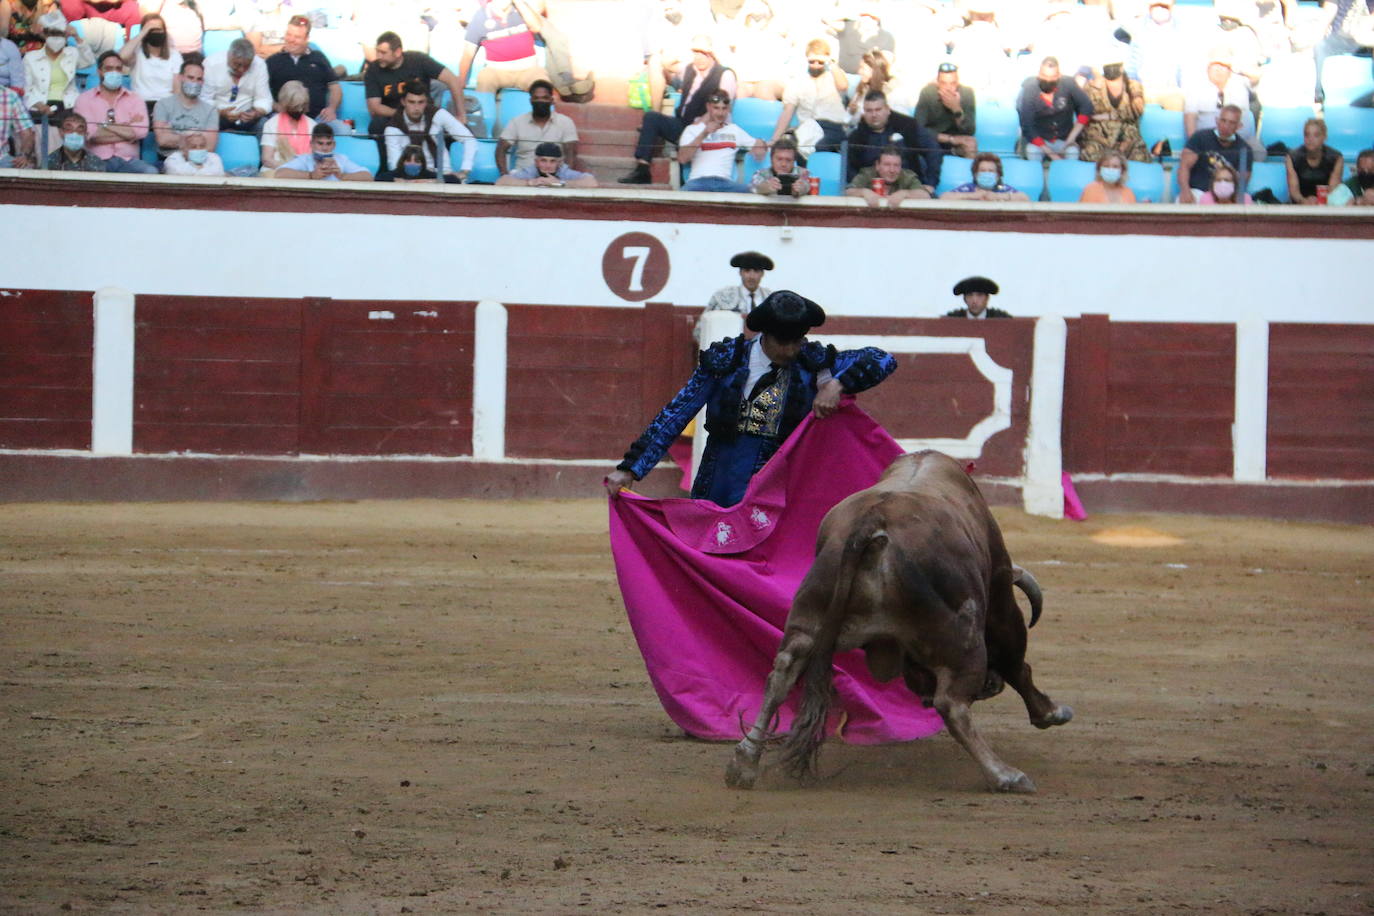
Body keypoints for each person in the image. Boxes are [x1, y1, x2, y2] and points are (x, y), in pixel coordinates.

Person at [605, 290, 897, 508]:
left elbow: (883, 359)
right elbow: (677, 413)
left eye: (798, 340)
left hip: (780, 482)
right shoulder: (726, 361)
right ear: (765, 336)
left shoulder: (813, 362)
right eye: (785, 342)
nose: (793, 349)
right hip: (719, 476)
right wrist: (631, 468)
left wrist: (838, 383)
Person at [619, 33, 734, 185]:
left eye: (703, 53)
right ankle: (642, 169)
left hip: (706, 129)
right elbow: (668, 68)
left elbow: (723, 105)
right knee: (652, 117)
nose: (699, 57)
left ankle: (684, 178)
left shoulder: (724, 74)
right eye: (695, 53)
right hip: (682, 124)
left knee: (690, 133)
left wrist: (699, 125)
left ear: (711, 53)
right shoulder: (689, 70)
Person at [363, 30, 465, 141]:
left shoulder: (418, 61)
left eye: (383, 53)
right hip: (393, 116)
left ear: (397, 52)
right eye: (377, 52)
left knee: (457, 129)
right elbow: (375, 107)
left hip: (424, 114)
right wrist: (405, 115)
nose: (378, 56)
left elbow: (452, 80)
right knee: (376, 125)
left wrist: (461, 115)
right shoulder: (373, 70)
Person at [72, 50, 158, 172]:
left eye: (118, 68)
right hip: (95, 160)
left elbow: (141, 132)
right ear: (99, 71)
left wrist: (104, 125)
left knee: (151, 172)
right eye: (109, 68)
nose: (114, 72)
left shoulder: (135, 99)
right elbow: (90, 135)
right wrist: (127, 130)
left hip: (129, 160)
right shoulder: (84, 99)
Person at [266, 13, 348, 136]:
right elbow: (261, 91)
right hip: (283, 117)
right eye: (289, 34)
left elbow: (335, 87)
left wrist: (331, 108)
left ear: (307, 38)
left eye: (297, 37)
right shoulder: (273, 61)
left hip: (317, 119)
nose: (291, 40)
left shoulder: (319, 58)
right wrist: (276, 106)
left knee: (343, 130)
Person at [845, 90, 941, 192]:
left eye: (878, 110)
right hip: (871, 191)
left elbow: (933, 149)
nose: (874, 115)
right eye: (869, 111)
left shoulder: (908, 126)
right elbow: (850, 168)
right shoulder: (856, 137)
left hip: (909, 187)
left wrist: (931, 183)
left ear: (887, 109)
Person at [383, 80, 476, 182]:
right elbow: (395, 166)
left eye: (421, 102)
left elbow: (469, 139)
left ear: (426, 101)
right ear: (403, 102)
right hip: (409, 179)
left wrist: (464, 170)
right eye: (411, 102)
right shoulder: (393, 127)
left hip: (443, 176)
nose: (416, 107)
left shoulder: (438, 114)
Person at [676, 90, 765, 193]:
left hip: (725, 183)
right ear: (708, 107)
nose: (720, 113)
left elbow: (758, 145)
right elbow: (682, 159)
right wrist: (704, 134)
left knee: (754, 193)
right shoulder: (692, 130)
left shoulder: (734, 130)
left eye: (724, 109)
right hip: (697, 182)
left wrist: (760, 146)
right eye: (716, 108)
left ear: (728, 109)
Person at [770, 38, 847, 156]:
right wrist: (774, 139)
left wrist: (831, 63)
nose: (816, 65)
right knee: (795, 148)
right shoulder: (797, 82)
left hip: (832, 126)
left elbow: (843, 86)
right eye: (812, 61)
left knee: (818, 147)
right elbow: (787, 112)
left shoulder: (834, 75)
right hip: (807, 128)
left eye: (820, 62)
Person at [455, 0, 551, 94]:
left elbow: (536, 27)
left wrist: (519, 3)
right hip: (496, 71)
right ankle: (486, 109)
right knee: (484, 78)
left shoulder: (523, 9)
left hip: (529, 69)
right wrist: (461, 80)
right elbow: (468, 53)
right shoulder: (480, 16)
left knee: (543, 84)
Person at [1016, 55, 1093, 162]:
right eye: (1044, 75)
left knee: (1072, 152)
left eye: (1052, 77)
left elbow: (1087, 107)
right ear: (1039, 74)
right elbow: (1027, 125)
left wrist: (1072, 137)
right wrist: (1053, 156)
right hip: (1040, 140)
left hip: (1064, 138)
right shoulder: (1030, 88)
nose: (1047, 80)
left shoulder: (1068, 83)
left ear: (1058, 76)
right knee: (1032, 151)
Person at [496, 78, 578, 175]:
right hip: (523, 177)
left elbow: (571, 152)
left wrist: (564, 177)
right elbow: (501, 149)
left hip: (554, 178)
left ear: (551, 100)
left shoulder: (565, 122)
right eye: (536, 98)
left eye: (544, 98)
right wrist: (504, 174)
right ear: (531, 100)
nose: (540, 101)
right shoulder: (517, 122)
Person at [1080, 49, 1149, 163]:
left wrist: (1109, 116)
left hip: (1128, 138)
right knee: (1089, 154)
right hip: (1099, 138)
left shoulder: (1134, 86)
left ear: (1122, 67)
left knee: (1140, 157)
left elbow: (1138, 111)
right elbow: (1086, 114)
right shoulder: (1092, 87)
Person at [22, 10, 92, 120]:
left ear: (66, 36)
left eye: (60, 34)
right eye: (52, 34)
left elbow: (88, 61)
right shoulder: (31, 57)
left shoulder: (72, 53)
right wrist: (39, 105)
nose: (56, 38)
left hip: (69, 105)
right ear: (44, 35)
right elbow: (26, 88)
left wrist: (77, 37)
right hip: (39, 106)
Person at [1176, 103, 1251, 204]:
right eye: (1223, 120)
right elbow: (1184, 167)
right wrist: (1185, 191)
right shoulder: (1200, 138)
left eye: (1231, 123)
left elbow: (1242, 180)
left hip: (1225, 196)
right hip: (1198, 192)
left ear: (1239, 126)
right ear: (1217, 120)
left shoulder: (1244, 149)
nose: (1226, 126)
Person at [203, 37, 272, 133]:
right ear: (229, 55)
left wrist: (256, 113)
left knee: (266, 125)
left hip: (248, 117)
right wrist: (220, 113)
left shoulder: (259, 65)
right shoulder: (211, 63)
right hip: (218, 115)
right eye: (237, 65)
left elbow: (265, 99)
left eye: (247, 66)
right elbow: (204, 99)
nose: (241, 70)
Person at [152, 58, 216, 159]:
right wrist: (197, 138)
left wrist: (175, 136)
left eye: (199, 79)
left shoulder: (211, 110)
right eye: (190, 77)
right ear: (180, 78)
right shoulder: (162, 105)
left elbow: (211, 146)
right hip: (168, 159)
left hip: (200, 161)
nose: (195, 82)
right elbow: (162, 140)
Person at [118, 12, 182, 110]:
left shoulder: (174, 55)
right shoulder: (136, 52)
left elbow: (177, 89)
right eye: (151, 30)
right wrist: (142, 33)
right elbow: (121, 57)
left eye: (158, 29)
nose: (155, 33)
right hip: (140, 104)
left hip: (165, 105)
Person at [915, 61, 977, 158]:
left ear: (957, 82)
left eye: (952, 83)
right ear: (937, 83)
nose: (948, 88)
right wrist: (950, 139)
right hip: (934, 139)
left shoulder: (967, 93)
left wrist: (957, 109)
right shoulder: (928, 93)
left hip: (957, 141)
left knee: (971, 144)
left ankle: (968, 171)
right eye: (943, 83)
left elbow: (970, 131)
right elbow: (918, 128)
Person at [701, 250, 774, 333]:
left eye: (756, 271)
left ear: (762, 274)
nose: (751, 276)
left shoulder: (772, 298)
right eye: (747, 271)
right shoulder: (723, 296)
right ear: (740, 272)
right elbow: (702, 328)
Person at [275, 122, 373, 181]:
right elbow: (280, 174)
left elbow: (368, 176)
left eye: (328, 143)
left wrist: (342, 176)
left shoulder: (341, 159)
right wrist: (311, 175)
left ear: (334, 145)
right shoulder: (305, 159)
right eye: (320, 143)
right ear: (312, 144)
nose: (325, 148)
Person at [846, 144, 933, 207]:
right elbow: (848, 192)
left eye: (896, 165)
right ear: (877, 165)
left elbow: (925, 195)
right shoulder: (867, 174)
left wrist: (905, 194)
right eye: (887, 165)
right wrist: (864, 192)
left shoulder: (907, 176)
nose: (892, 170)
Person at [258, 79, 314, 175]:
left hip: (304, 172)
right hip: (275, 170)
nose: (299, 110)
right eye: (295, 107)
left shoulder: (312, 125)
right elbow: (267, 159)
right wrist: (290, 169)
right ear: (285, 104)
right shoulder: (271, 124)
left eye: (301, 106)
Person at [1285, 118, 1343, 205]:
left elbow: (1333, 189)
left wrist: (1320, 201)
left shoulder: (1336, 158)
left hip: (1327, 203)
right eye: (1307, 135)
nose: (1310, 139)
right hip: (1299, 204)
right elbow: (1294, 191)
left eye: (1316, 135)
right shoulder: (1292, 157)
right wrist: (1304, 201)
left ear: (1324, 137)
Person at [495, 139, 596, 187]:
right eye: (543, 160)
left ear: (559, 163)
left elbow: (592, 183)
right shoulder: (532, 171)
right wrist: (529, 183)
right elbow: (501, 181)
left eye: (552, 161)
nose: (548, 166)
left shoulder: (563, 171)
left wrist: (560, 183)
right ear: (536, 162)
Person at [939, 151, 1031, 201]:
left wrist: (998, 197)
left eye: (991, 171)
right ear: (975, 174)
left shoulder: (1002, 189)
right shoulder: (968, 188)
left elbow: (1025, 198)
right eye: (982, 170)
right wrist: (973, 196)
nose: (987, 173)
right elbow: (944, 197)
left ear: (998, 175)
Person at [944, 275, 1011, 318]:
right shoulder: (953, 319)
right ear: (964, 299)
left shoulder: (1000, 319)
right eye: (970, 295)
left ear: (987, 298)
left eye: (980, 295)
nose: (974, 300)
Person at [0, 82, 34, 166]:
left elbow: (26, 132)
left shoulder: (10, 96)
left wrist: (23, 155)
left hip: (2, 158)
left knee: (25, 169)